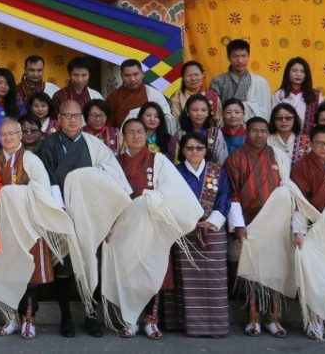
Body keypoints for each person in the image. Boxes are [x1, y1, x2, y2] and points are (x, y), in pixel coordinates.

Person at [39, 99, 131, 338]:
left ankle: (91, 316)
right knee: (64, 269)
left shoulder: (94, 145)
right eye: (67, 116)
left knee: (92, 266)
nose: (72, 120)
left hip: (92, 216)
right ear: (57, 119)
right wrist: (60, 210)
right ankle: (66, 317)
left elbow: (112, 177)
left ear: (83, 119)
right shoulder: (48, 144)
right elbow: (46, 177)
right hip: (61, 214)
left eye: (77, 116)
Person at [103, 119, 202, 340]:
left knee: (152, 272)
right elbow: (107, 196)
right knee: (127, 274)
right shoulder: (114, 163)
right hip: (124, 226)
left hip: (152, 224)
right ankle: (129, 321)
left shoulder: (159, 160)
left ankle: (151, 320)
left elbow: (173, 190)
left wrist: (150, 198)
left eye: (140, 132)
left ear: (146, 135)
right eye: (131, 132)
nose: (136, 136)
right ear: (123, 136)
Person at [0, 117, 75, 339]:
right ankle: (12, 317)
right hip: (6, 227)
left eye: (12, 134)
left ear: (20, 135)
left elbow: (42, 188)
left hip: (29, 225)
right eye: (3, 134)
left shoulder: (31, 159)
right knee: (9, 272)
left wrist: (13, 192)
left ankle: (29, 319)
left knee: (30, 275)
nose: (7, 138)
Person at [162, 131, 231, 339]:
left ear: (206, 150)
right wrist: (185, 220)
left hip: (212, 231)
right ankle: (185, 324)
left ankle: (215, 326)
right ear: (182, 151)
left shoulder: (217, 171)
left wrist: (212, 221)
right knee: (186, 282)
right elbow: (168, 198)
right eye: (189, 148)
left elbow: (225, 197)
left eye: (199, 148)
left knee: (214, 280)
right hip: (184, 231)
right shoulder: (173, 172)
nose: (194, 152)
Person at [227, 116, 289, 337]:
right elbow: (232, 195)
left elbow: (286, 188)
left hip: (275, 221)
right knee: (251, 272)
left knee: (275, 271)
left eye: (263, 131)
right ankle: (253, 319)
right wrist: (238, 225)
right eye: (254, 130)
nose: (259, 135)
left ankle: (274, 319)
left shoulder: (278, 156)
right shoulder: (235, 159)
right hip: (249, 222)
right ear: (247, 132)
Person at [290, 124, 325, 340]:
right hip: (311, 227)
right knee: (314, 278)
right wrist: (298, 231)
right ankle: (314, 322)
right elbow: (299, 202)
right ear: (311, 144)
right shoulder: (301, 166)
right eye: (320, 143)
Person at [209, 39, 273, 124]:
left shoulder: (260, 82)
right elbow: (213, 111)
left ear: (248, 56)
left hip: (252, 131)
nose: (240, 61)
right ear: (228, 57)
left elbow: (266, 111)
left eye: (243, 56)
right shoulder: (217, 81)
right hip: (225, 130)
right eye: (235, 56)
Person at [109, 60, 175, 135]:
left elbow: (168, 118)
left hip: (152, 140)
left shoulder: (154, 94)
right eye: (127, 75)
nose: (132, 79)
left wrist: (141, 113)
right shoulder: (113, 96)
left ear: (142, 74)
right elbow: (109, 124)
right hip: (122, 140)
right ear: (121, 76)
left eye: (135, 74)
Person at [274, 57, 323, 135]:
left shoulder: (316, 95)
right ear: (288, 73)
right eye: (294, 71)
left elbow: (321, 119)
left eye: (302, 71)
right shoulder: (280, 95)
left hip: (308, 140)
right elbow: (274, 118)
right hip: (284, 137)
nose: (298, 74)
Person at [178, 94, 228, 164]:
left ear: (208, 112)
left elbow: (222, 160)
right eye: (195, 110)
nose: (199, 113)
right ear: (187, 111)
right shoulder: (181, 134)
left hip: (210, 173)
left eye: (203, 110)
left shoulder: (216, 134)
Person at [169, 61, 221, 127]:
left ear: (203, 75)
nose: (193, 78)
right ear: (183, 77)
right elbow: (176, 123)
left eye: (196, 75)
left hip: (210, 136)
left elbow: (219, 122)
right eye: (189, 75)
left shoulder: (213, 96)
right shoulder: (176, 97)